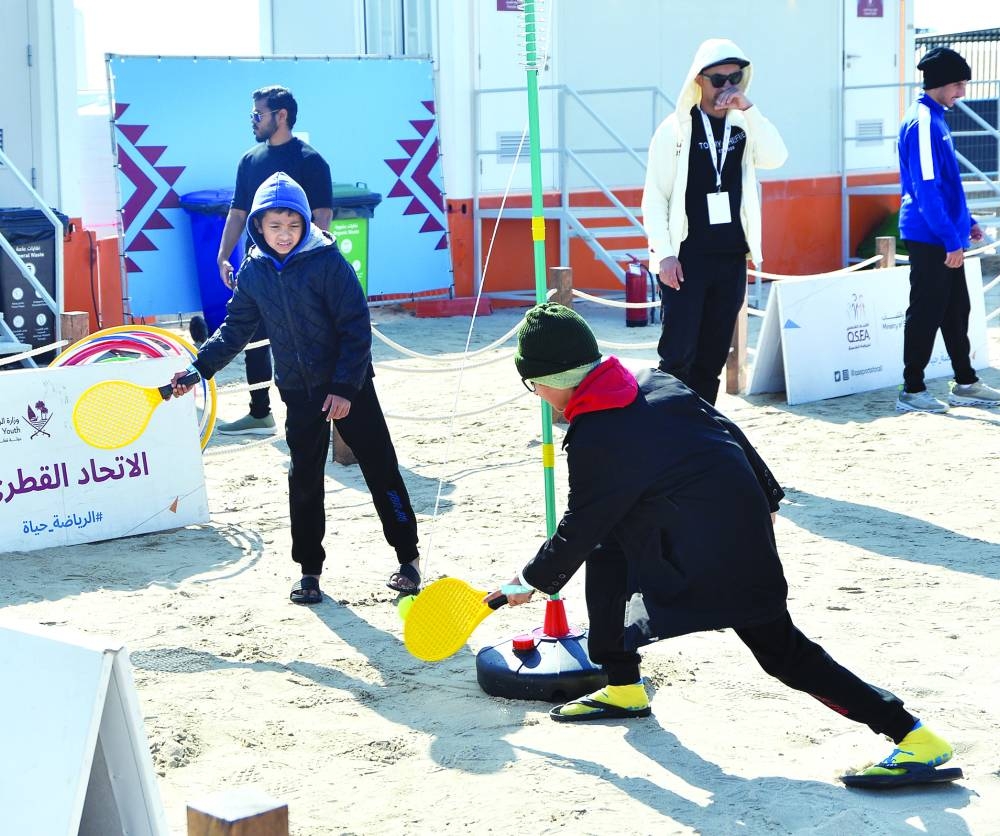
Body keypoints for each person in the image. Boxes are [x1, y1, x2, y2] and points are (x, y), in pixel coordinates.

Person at [487, 302, 960, 789]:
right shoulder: (650, 380)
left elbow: (580, 523)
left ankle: (913, 737)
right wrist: (769, 497)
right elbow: (729, 431)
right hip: (720, 521)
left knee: (782, 653)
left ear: (557, 377)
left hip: (723, 547)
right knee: (610, 554)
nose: (538, 396)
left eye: (535, 385)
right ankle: (623, 684)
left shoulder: (599, 434)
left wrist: (528, 582)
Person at [172, 172, 422, 602]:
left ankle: (408, 557)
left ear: (306, 223)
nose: (284, 235)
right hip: (299, 391)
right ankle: (309, 571)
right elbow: (235, 330)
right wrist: (198, 369)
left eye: (292, 225)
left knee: (380, 468)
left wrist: (344, 388)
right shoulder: (254, 270)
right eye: (274, 226)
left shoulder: (327, 261)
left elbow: (356, 326)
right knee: (304, 478)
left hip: (350, 386)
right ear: (258, 227)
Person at [641, 38, 787, 405]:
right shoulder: (674, 130)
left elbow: (776, 156)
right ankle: (672, 431)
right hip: (686, 260)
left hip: (731, 257)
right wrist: (665, 255)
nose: (727, 87)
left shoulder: (743, 126)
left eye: (734, 78)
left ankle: (703, 429)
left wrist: (749, 108)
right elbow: (654, 197)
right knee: (677, 356)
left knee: (712, 359)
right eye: (718, 80)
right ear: (698, 81)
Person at [214, 85, 335, 435]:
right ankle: (260, 412)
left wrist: (304, 262)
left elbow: (321, 216)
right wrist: (223, 256)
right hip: (260, 267)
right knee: (252, 333)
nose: (252, 121)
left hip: (303, 270)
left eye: (258, 114)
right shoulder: (250, 161)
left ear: (281, 116)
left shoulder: (311, 161)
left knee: (306, 337)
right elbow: (238, 214)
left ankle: (319, 412)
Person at [895, 47, 1000, 413]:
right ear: (939, 83)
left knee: (957, 309)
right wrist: (949, 239)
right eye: (958, 84)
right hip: (930, 237)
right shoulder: (923, 122)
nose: (963, 92)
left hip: (944, 234)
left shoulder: (937, 118)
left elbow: (949, 184)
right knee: (926, 311)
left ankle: (966, 382)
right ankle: (912, 389)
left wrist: (966, 222)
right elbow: (926, 190)